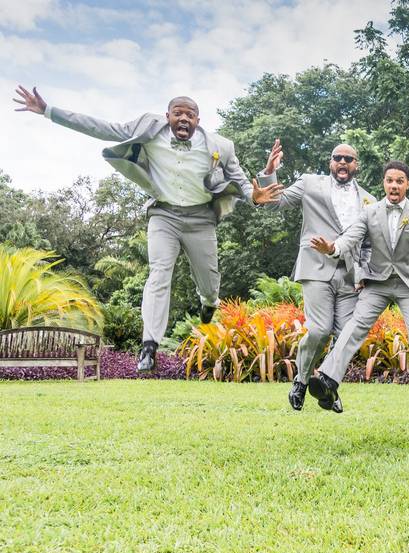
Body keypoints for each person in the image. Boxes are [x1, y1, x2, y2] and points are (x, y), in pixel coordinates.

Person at [13, 85, 280, 372]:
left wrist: (255, 196)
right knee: (158, 273)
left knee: (209, 279)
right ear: (168, 116)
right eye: (178, 113)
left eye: (190, 115)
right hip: (164, 215)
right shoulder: (148, 130)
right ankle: (149, 346)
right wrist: (49, 111)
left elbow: (239, 179)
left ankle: (208, 301)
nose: (184, 119)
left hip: (201, 219)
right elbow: (102, 127)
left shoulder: (220, 146)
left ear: (198, 121)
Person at [308, 161, 409, 420]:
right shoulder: (370, 213)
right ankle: (327, 380)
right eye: (389, 180)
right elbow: (351, 238)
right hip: (378, 283)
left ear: (407, 184)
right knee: (354, 327)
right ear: (384, 183)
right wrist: (332, 248)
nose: (394, 185)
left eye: (399, 181)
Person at [256, 142, 375, 411]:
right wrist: (269, 171)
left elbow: (368, 243)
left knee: (346, 334)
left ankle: (328, 384)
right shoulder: (310, 183)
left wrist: (364, 274)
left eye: (349, 159)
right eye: (337, 158)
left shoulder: (369, 200)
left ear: (357, 165)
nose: (343, 162)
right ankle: (301, 381)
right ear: (330, 162)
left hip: (349, 274)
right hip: (316, 267)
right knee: (320, 329)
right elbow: (277, 202)